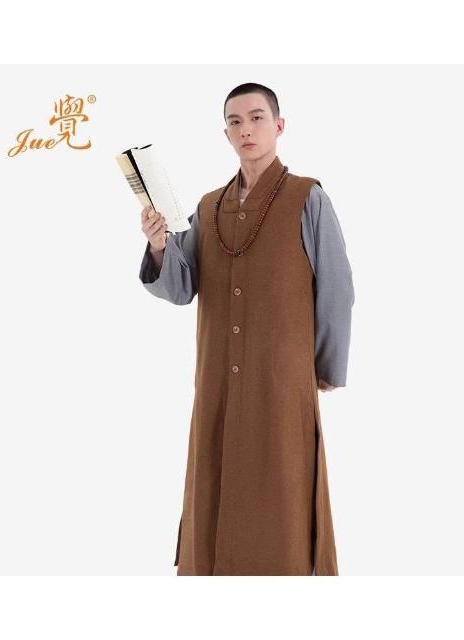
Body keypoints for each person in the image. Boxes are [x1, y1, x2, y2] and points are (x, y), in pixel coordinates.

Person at [139, 83, 355, 575]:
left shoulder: (308, 198)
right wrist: (158, 245)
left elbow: (337, 287)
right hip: (217, 382)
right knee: (213, 485)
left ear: (279, 126)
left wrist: (324, 368)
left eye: (257, 118)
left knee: (283, 491)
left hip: (281, 383)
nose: (246, 130)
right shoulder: (208, 207)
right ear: (226, 134)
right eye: (235, 122)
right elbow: (180, 287)